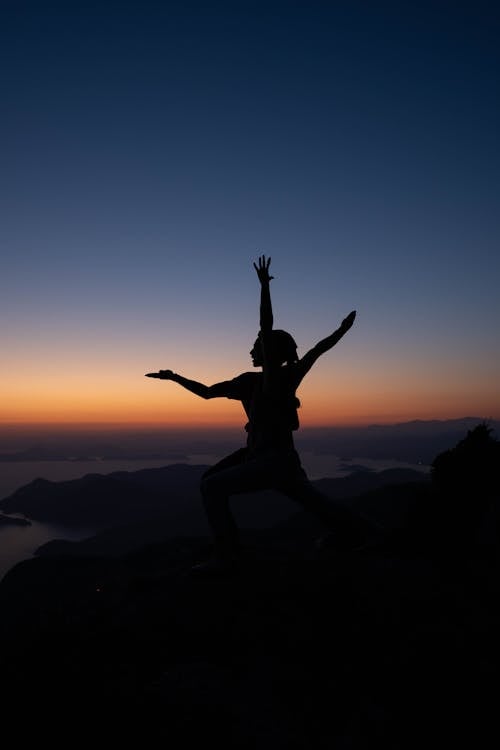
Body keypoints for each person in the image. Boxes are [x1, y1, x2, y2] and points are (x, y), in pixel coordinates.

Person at [146, 256, 370, 572]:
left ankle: (228, 554)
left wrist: (264, 287)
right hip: (269, 457)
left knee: (212, 487)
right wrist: (175, 378)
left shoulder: (273, 378)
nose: (252, 350)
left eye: (258, 346)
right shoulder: (250, 382)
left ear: (268, 351)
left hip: (271, 460)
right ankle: (360, 533)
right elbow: (208, 391)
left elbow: (278, 331)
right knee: (312, 501)